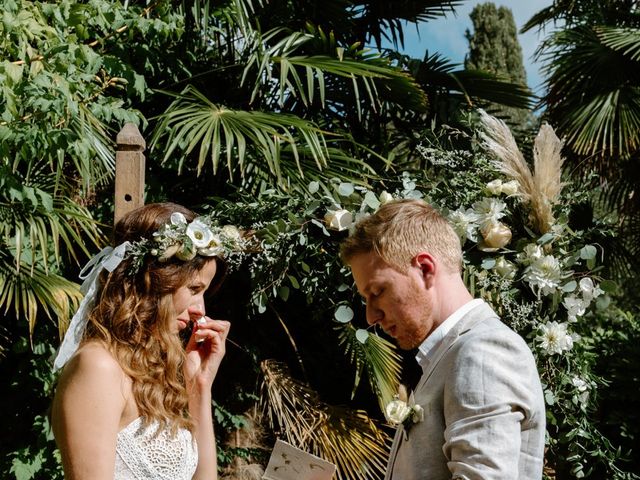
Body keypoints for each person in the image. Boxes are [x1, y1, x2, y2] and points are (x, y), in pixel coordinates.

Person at [340, 199, 545, 479]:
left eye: (377, 292)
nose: (370, 316)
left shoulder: (482, 352)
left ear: (424, 269)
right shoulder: (449, 355)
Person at [51, 202, 245, 480]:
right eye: (194, 289)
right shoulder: (98, 367)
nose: (200, 310)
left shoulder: (155, 377)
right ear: (156, 281)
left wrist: (199, 386)